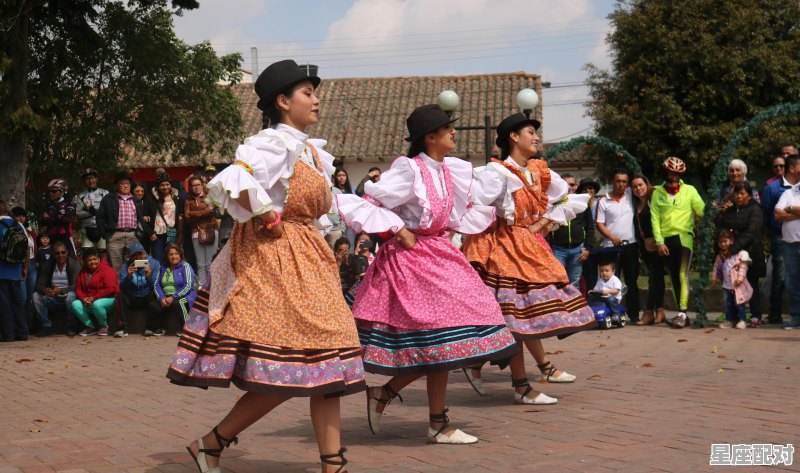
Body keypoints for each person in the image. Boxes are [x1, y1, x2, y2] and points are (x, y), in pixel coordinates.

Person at [166, 59, 365, 473]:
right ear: (282, 100)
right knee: (293, 364)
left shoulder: (311, 151)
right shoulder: (273, 143)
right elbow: (236, 179)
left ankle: (331, 463)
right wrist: (264, 214)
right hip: (275, 257)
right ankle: (214, 442)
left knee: (326, 361)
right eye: (307, 93)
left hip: (309, 255)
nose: (316, 99)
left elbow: (332, 207)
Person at [337, 103, 518, 444]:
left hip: (440, 255)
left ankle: (391, 396)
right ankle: (435, 422)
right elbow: (369, 200)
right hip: (411, 261)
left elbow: (460, 210)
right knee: (437, 341)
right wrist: (396, 229)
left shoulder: (451, 170)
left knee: (452, 335)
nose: (453, 133)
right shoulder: (410, 169)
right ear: (431, 137)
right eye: (448, 128)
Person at [460, 112, 595, 406]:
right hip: (500, 250)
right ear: (513, 137)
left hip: (528, 246)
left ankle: (510, 374)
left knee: (524, 315)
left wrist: (541, 225)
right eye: (530, 132)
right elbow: (474, 206)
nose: (535, 138)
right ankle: (519, 383)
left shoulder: (540, 171)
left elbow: (565, 198)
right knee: (513, 317)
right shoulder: (495, 173)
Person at [651, 157, 705, 328]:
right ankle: (682, 314)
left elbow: (702, 210)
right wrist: (659, 242)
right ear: (666, 172)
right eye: (670, 172)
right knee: (674, 277)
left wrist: (714, 209)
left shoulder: (690, 190)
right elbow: (655, 219)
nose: (673, 176)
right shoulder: (657, 192)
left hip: (684, 238)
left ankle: (682, 313)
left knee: (683, 275)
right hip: (666, 240)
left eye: (677, 174)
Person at [715, 182, 766, 327]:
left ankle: (755, 316)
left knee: (751, 284)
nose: (739, 196)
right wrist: (721, 212)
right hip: (732, 256)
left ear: (749, 196)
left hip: (751, 253)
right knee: (733, 286)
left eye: (742, 193)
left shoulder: (755, 209)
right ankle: (734, 317)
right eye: (736, 193)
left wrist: (732, 248)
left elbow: (751, 232)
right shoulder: (730, 210)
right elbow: (721, 224)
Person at [595, 170, 640, 323]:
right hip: (611, 247)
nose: (621, 184)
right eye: (618, 181)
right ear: (612, 182)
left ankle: (634, 315)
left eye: (624, 181)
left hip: (631, 246)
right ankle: (611, 313)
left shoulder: (631, 196)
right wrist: (612, 237)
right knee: (609, 281)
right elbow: (599, 223)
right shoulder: (603, 201)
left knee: (632, 281)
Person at [761, 152, 797, 325]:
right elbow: (773, 214)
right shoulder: (773, 188)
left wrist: (787, 212)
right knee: (781, 277)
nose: (778, 169)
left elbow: (783, 212)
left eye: (781, 165)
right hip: (780, 238)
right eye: (775, 166)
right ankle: (775, 313)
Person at [97, 172, 153, 273]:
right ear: (117, 185)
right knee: (116, 265)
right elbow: (100, 217)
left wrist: (149, 232)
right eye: (122, 183)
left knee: (134, 263)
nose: (126, 185)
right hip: (114, 235)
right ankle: (118, 288)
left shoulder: (136, 200)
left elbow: (140, 218)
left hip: (132, 235)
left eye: (128, 183)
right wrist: (104, 234)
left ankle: (132, 286)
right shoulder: (108, 199)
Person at [546, 175, 595, 288]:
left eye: (572, 184)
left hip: (577, 249)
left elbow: (590, 226)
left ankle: (575, 306)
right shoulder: (552, 202)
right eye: (566, 184)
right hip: (557, 249)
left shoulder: (582, 202)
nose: (569, 187)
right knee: (558, 281)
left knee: (574, 282)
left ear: (576, 186)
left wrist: (588, 247)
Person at [631, 174, 666, 325]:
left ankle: (648, 312)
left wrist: (660, 241)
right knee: (656, 278)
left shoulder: (654, 200)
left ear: (647, 184)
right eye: (635, 186)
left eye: (641, 185)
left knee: (654, 278)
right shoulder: (635, 204)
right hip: (645, 247)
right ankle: (660, 310)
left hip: (658, 244)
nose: (638, 189)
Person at [32, 241, 79, 337]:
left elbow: (77, 286)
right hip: (53, 298)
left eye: (63, 252)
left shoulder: (74, 264)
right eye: (57, 253)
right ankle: (46, 325)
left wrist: (61, 290)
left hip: (68, 297)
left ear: (67, 252)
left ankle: (71, 327)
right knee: (35, 296)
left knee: (70, 296)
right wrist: (45, 290)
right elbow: (39, 285)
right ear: (53, 254)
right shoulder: (48, 265)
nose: (60, 255)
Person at [775, 154, 800, 329]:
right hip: (790, 244)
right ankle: (796, 317)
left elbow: (784, 213)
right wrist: (796, 210)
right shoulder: (789, 192)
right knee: (792, 283)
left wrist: (789, 210)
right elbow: (777, 214)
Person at [116, 240, 160, 337]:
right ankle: (123, 329)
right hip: (133, 297)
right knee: (120, 296)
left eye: (140, 254)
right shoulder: (126, 265)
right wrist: (128, 277)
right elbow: (122, 287)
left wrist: (149, 277)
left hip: (147, 297)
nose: (138, 257)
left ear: (145, 253)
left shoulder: (155, 264)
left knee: (155, 294)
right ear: (130, 257)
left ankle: (150, 328)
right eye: (134, 255)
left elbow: (157, 286)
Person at [72, 248, 119, 337]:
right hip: (90, 300)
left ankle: (104, 326)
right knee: (75, 304)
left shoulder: (107, 270)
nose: (92, 262)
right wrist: (83, 299)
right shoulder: (83, 271)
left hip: (109, 299)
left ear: (99, 259)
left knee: (97, 304)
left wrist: (94, 297)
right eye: (89, 260)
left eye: (95, 259)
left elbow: (111, 289)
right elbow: (78, 288)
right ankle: (91, 327)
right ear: (85, 262)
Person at [711, 230, 752, 329]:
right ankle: (729, 320)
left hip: (738, 285)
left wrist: (740, 278)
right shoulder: (720, 256)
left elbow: (743, 266)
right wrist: (714, 278)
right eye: (720, 242)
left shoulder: (740, 254)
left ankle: (742, 320)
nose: (723, 244)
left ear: (732, 240)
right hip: (726, 285)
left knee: (740, 303)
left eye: (725, 241)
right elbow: (716, 267)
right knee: (727, 304)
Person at [0, 201, 28, 342]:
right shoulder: (18, 225)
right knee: (18, 302)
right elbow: (26, 248)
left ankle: (9, 334)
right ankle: (22, 333)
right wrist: (24, 267)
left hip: (1, 272)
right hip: (16, 271)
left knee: (5, 303)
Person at [153, 243, 196, 335]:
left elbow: (188, 286)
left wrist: (173, 297)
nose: (174, 256)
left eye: (176, 254)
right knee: (153, 305)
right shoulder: (162, 268)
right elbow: (157, 285)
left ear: (180, 255)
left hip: (185, 295)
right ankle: (160, 328)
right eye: (171, 254)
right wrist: (161, 298)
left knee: (178, 302)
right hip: (166, 296)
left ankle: (187, 328)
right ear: (167, 256)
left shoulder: (186, 266)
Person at [184, 176, 217, 285]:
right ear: (190, 187)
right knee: (200, 264)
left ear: (202, 185)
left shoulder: (209, 197)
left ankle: (211, 287)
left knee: (210, 263)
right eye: (193, 185)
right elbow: (187, 217)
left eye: (198, 185)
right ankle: (202, 288)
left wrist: (195, 214)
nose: (196, 187)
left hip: (210, 230)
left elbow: (212, 211)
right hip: (195, 232)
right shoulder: (188, 201)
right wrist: (205, 211)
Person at [151, 172, 184, 263]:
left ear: (171, 185)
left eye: (167, 184)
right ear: (158, 186)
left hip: (172, 232)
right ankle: (160, 277)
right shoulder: (154, 198)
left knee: (172, 259)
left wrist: (180, 234)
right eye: (162, 185)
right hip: (158, 233)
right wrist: (150, 232)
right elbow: (147, 214)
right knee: (158, 259)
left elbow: (181, 217)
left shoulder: (177, 198)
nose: (165, 187)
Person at [75, 168, 110, 254]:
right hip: (86, 230)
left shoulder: (105, 193)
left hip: (101, 229)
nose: (90, 181)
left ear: (96, 179)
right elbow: (78, 213)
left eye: (92, 178)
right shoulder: (80, 196)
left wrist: (98, 212)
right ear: (84, 181)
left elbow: (109, 210)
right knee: (87, 257)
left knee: (103, 258)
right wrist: (89, 213)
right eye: (87, 179)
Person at [577, 178, 601, 291]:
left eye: (590, 188)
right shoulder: (578, 204)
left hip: (599, 241)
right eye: (584, 188)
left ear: (595, 190)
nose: (587, 190)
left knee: (597, 273)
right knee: (581, 274)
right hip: (582, 242)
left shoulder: (599, 203)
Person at [12, 207, 37, 318]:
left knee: (30, 296)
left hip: (32, 263)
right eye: (18, 215)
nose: (21, 218)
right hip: (20, 265)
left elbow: (36, 249)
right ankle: (21, 324)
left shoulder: (31, 233)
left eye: (23, 215)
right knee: (21, 296)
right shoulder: (13, 230)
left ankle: (28, 323)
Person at [42, 178, 77, 257]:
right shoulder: (49, 205)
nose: (51, 193)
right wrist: (57, 216)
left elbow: (67, 219)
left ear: (62, 191)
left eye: (54, 191)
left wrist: (52, 217)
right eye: (50, 191)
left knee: (72, 260)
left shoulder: (69, 203)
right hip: (51, 237)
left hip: (65, 237)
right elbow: (44, 222)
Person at [326, 167, 351, 250]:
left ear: (332, 179)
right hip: (322, 229)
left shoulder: (338, 192)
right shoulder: (317, 191)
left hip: (335, 230)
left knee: (335, 255)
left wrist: (341, 229)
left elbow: (342, 211)